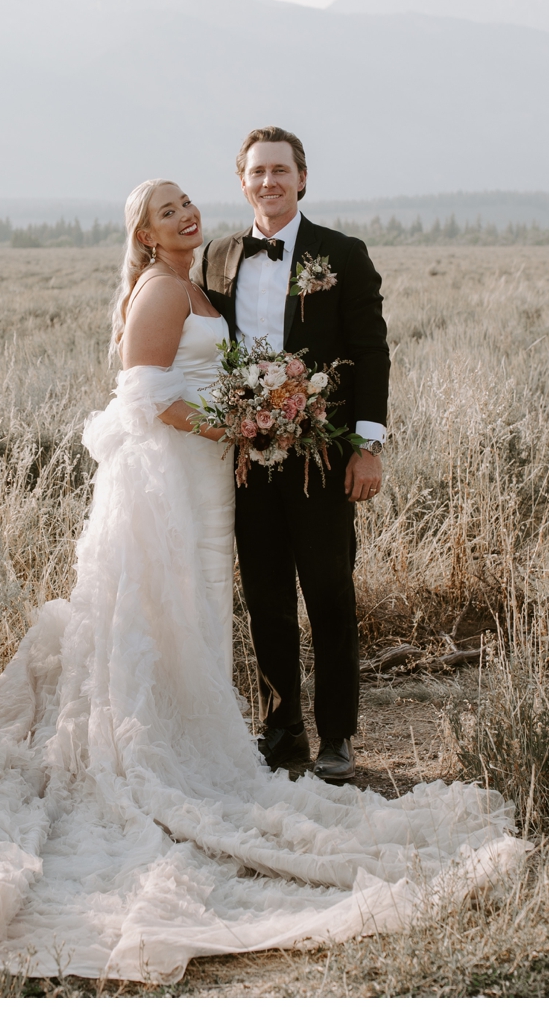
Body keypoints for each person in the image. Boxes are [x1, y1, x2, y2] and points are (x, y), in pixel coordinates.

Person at [0, 178, 524, 984]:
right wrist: (238, 424)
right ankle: (169, 750)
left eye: (187, 204)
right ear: (145, 233)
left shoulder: (203, 282)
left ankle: (228, 735)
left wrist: (252, 420)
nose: (186, 215)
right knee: (163, 606)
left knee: (200, 606)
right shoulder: (163, 291)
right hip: (168, 475)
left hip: (208, 475)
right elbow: (144, 395)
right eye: (167, 211)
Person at [193, 127, 385, 784]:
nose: (268, 181)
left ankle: (337, 736)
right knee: (265, 596)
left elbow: (372, 354)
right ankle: (282, 731)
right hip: (246, 459)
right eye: (257, 171)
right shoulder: (216, 256)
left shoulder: (343, 254)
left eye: (280, 170)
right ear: (242, 181)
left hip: (321, 458)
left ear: (302, 179)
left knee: (329, 593)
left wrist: (367, 446)